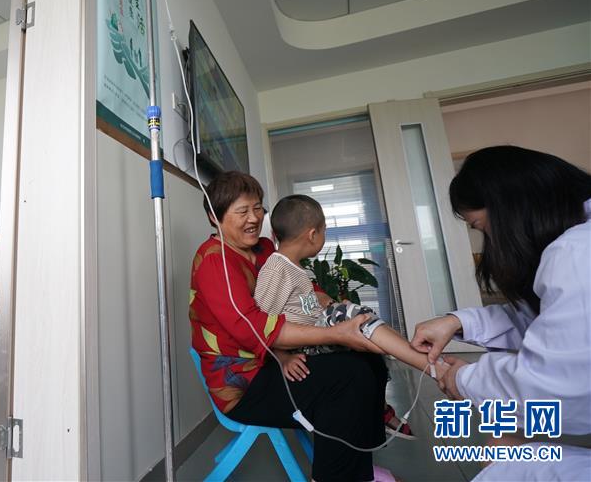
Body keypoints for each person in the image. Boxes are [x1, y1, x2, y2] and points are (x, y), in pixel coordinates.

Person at [190, 171, 394, 481]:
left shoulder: (263, 249)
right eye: (242, 211)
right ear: (213, 217)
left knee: (367, 360)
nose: (254, 218)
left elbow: (299, 289)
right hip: (245, 383)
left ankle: (358, 468)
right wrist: (331, 334)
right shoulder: (214, 262)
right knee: (347, 378)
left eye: (257, 208)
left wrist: (324, 304)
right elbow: (254, 328)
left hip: (273, 360)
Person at [410, 146, 591, 481]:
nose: (489, 242)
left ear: (510, 208)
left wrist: (463, 380)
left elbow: (554, 387)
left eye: (480, 226)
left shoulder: (577, 252)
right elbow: (551, 321)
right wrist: (459, 321)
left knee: (502, 457)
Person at [254, 194, 449, 438]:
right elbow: (261, 323)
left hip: (314, 335)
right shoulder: (276, 268)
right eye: (324, 231)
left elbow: (302, 308)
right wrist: (283, 357)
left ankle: (386, 403)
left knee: (363, 337)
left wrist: (331, 306)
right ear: (312, 234)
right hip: (300, 346)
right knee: (358, 319)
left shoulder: (295, 267)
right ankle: (431, 365)